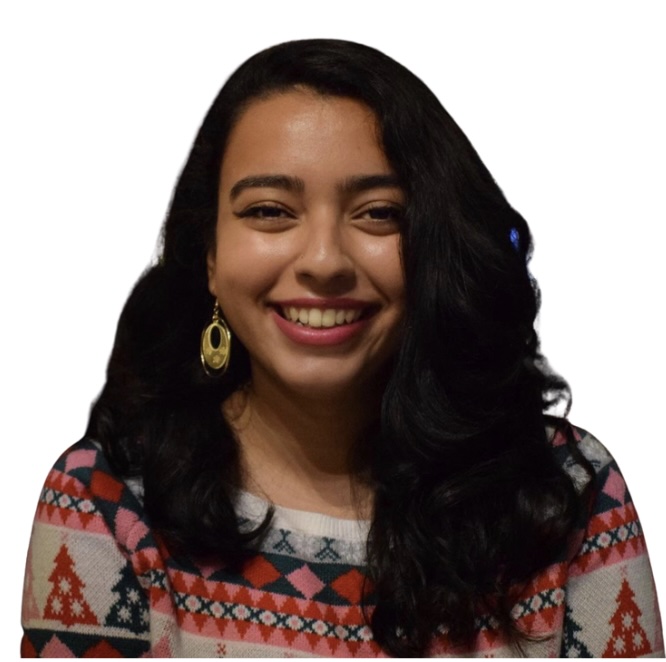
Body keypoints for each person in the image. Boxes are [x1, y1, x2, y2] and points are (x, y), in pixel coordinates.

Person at [21, 39, 662, 658]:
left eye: (379, 213)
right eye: (270, 210)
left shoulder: (568, 492)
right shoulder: (106, 501)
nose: (325, 261)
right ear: (209, 255)